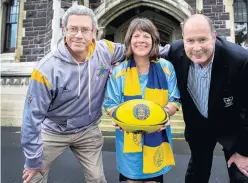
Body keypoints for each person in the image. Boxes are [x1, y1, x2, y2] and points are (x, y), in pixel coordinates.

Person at [21, 5, 126, 183]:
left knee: (97, 178)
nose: (79, 35)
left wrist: (175, 51)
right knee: (34, 177)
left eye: (85, 29)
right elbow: (31, 118)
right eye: (73, 29)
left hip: (88, 130)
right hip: (53, 131)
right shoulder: (46, 69)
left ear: (94, 32)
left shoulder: (105, 50)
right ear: (64, 31)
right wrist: (32, 159)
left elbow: (138, 50)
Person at [166, 14, 248, 183]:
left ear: (213, 37)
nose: (196, 47)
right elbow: (148, 56)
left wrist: (244, 153)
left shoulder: (240, 60)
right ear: (183, 39)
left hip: (233, 124)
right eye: (190, 41)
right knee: (196, 174)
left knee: (241, 176)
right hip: (198, 126)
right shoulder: (175, 53)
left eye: (202, 39)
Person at [103, 18, 181, 183]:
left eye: (146, 36)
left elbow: (175, 99)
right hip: (128, 139)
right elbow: (110, 103)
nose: (141, 40)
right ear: (129, 40)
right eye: (136, 36)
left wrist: (164, 115)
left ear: (153, 40)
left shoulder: (166, 68)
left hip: (157, 137)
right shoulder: (119, 71)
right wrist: (117, 117)